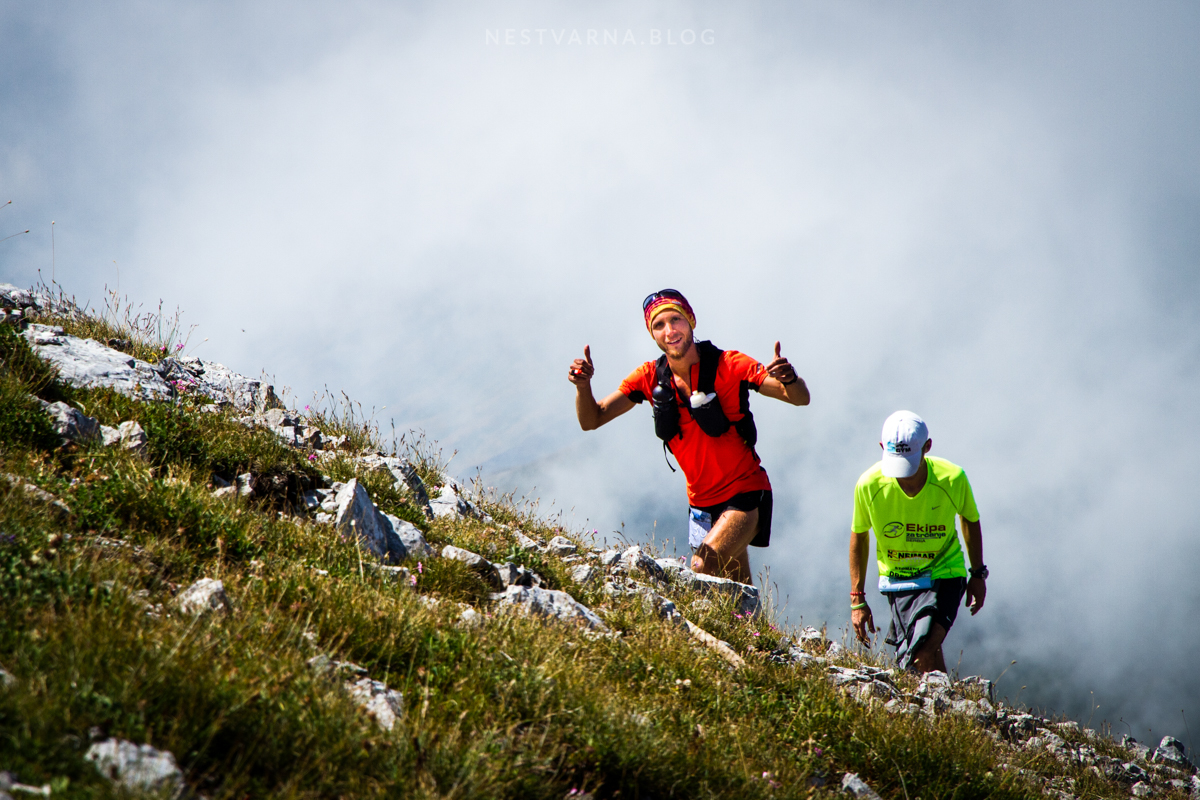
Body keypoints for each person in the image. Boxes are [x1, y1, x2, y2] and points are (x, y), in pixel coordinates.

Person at [568, 289, 809, 583]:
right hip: (700, 505)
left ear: (691, 321)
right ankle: (755, 628)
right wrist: (583, 386)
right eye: (659, 325)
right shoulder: (648, 377)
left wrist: (790, 379)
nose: (670, 331)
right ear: (652, 334)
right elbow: (593, 419)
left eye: (676, 319)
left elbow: (799, 398)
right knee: (734, 593)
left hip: (745, 492)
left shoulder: (730, 365)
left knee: (702, 567)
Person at [849, 410, 988, 673]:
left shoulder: (952, 478)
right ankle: (947, 707)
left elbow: (969, 519)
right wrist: (857, 599)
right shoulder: (868, 484)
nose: (903, 475)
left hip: (945, 572)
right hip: (899, 580)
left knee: (922, 649)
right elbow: (859, 535)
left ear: (928, 447)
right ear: (881, 448)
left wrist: (978, 573)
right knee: (919, 660)